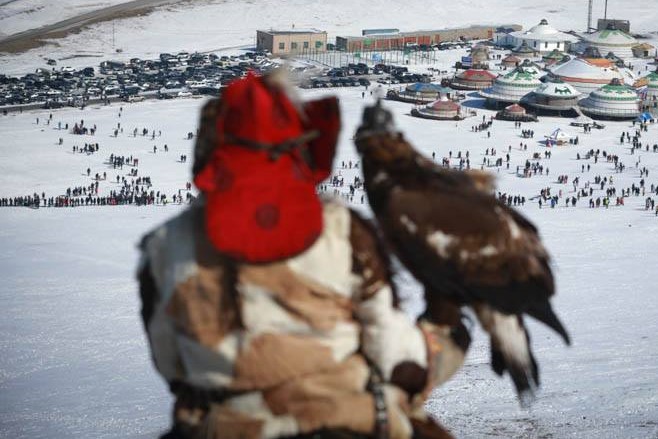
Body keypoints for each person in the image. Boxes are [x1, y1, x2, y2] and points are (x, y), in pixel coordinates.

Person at [137, 72, 468, 439]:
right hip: (347, 419)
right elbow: (392, 352)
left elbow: (169, 360)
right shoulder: (340, 228)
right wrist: (443, 332)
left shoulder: (165, 245)